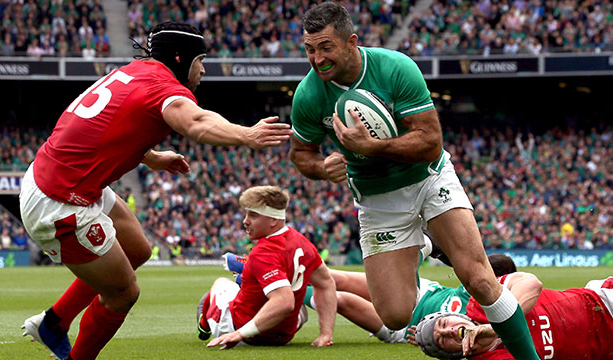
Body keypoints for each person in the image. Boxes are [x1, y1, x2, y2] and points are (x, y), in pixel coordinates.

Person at [19, 21, 292, 360]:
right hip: (61, 199)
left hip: (60, 176)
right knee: (123, 293)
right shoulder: (164, 88)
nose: (203, 68)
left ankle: (54, 322)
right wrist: (247, 135)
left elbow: (104, 127)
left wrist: (151, 158)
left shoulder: (134, 73)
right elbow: (196, 122)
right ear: (181, 58)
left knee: (138, 250)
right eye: (200, 59)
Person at [288, 3, 538, 359]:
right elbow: (301, 154)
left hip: (429, 178)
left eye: (326, 47)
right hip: (377, 199)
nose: (317, 59)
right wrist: (321, 168)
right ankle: (424, 243)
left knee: (479, 278)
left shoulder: (395, 68)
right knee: (394, 315)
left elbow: (429, 142)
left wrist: (372, 147)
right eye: (310, 49)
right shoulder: (309, 95)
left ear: (351, 42)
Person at [220, 235, 518, 344]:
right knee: (338, 278)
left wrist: (428, 341)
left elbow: (469, 342)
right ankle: (255, 269)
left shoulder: (491, 315)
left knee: (339, 299)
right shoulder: (475, 290)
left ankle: (267, 285)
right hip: (425, 290)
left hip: (404, 324)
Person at [199, 186, 336, 349]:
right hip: (284, 335)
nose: (245, 220)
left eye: (253, 215)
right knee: (299, 307)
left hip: (248, 331)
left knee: (220, 284)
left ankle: (203, 326)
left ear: (273, 220)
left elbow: (284, 302)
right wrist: (326, 333)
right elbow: (327, 283)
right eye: (246, 213)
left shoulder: (263, 252)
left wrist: (240, 334)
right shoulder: (303, 242)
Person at [410, 273, 613, 359]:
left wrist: (498, 327)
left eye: (444, 323)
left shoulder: (481, 301)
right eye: (442, 339)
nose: (449, 330)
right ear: (451, 355)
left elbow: (531, 284)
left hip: (608, 304)